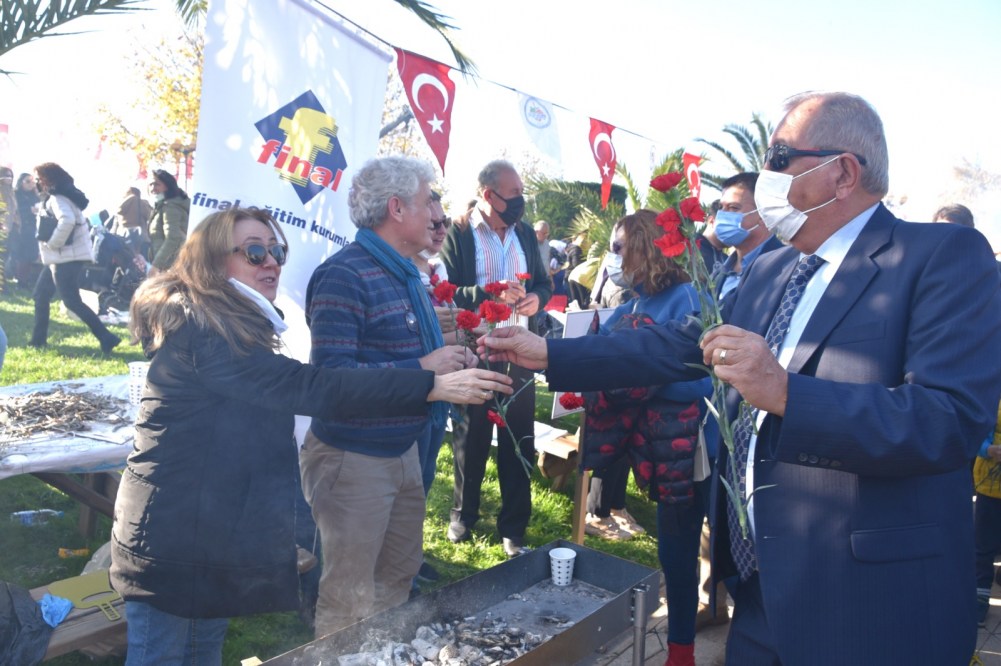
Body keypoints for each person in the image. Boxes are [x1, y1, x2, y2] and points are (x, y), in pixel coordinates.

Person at [479, 91, 1001, 666]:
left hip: (867, 606)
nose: (765, 176)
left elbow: (948, 420)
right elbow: (683, 343)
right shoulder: (772, 267)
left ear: (843, 174)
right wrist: (549, 353)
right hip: (758, 593)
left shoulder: (940, 257)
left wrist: (787, 393)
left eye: (779, 157)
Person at [109, 206, 510, 665]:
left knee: (202, 652)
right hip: (171, 533)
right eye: (254, 252)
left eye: (276, 251)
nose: (271, 262)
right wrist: (427, 383)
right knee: (162, 655)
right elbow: (313, 386)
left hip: (207, 528)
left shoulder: (229, 322)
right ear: (213, 262)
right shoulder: (205, 332)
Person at [301, 157, 487, 637]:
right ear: (396, 208)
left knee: (397, 577)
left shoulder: (403, 273)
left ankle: (382, 653)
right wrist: (425, 369)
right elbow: (333, 382)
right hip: (354, 457)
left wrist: (453, 356)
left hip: (402, 448)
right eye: (429, 202)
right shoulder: (344, 275)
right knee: (348, 596)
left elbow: (405, 354)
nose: (437, 214)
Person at [580, 210, 711, 665]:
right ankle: (680, 648)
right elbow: (601, 355)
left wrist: (646, 380)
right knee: (672, 552)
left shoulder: (687, 298)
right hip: (655, 452)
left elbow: (705, 381)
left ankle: (685, 649)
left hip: (692, 454)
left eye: (618, 248)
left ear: (644, 247)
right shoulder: (633, 303)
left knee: (690, 548)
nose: (612, 258)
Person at [440, 158, 552, 558]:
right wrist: (489, 292)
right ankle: (463, 515)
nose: (521, 199)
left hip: (521, 349)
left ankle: (514, 527)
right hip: (475, 347)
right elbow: (446, 290)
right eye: (515, 193)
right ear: (489, 195)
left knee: (518, 437)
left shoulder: (525, 233)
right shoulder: (459, 232)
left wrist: (536, 298)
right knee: (470, 433)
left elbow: (544, 282)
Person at [30, 162, 121, 353]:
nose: (36, 182)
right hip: (61, 258)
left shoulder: (57, 198)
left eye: (38, 178)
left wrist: (53, 243)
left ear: (47, 179)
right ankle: (38, 340)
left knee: (71, 301)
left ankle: (107, 337)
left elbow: (67, 220)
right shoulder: (62, 197)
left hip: (65, 258)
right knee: (41, 294)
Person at [710, 173, 783, 300]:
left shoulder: (785, 265)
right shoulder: (718, 273)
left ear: (763, 213)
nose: (722, 214)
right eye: (721, 207)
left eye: (733, 207)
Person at [973, 402, 1001, 628]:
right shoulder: (990, 398)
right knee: (984, 546)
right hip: (989, 488)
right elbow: (974, 436)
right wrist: (989, 449)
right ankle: (980, 598)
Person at [147, 169, 190, 275]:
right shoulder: (162, 206)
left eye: (157, 184)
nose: (153, 188)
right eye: (151, 184)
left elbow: (174, 238)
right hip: (167, 266)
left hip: (171, 268)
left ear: (168, 186)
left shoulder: (170, 207)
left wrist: (156, 266)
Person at [11, 172, 40, 286]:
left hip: (32, 228)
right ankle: (20, 279)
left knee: (30, 255)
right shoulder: (16, 194)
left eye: (33, 181)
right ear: (21, 182)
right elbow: (14, 209)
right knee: (20, 254)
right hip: (19, 227)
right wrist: (29, 210)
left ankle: (24, 279)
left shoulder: (35, 195)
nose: (31, 184)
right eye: (28, 181)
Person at [111, 186, 153, 257]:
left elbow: (114, 227)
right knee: (145, 262)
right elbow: (151, 217)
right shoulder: (143, 203)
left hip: (123, 240)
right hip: (142, 239)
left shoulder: (120, 206)